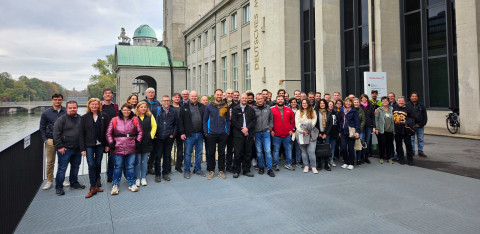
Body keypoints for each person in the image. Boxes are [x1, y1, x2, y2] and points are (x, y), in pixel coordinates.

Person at [106, 103, 143, 195]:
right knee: (118, 167)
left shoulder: (135, 119)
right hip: (117, 147)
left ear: (130, 111)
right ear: (121, 110)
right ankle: (115, 184)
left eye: (128, 110)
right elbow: (108, 133)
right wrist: (111, 142)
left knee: (130, 166)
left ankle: (132, 183)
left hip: (131, 146)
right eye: (124, 110)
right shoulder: (114, 120)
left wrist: (137, 141)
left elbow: (140, 131)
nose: (126, 112)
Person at [53, 101, 85, 196]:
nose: (72, 109)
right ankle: (59, 187)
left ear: (77, 108)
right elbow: (56, 134)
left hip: (77, 148)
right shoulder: (61, 119)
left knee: (75, 167)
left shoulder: (80, 118)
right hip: (65, 149)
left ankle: (74, 183)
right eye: (70, 108)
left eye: (74, 107)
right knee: (62, 168)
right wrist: (60, 147)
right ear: (66, 109)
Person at [80, 98, 108, 198]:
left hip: (100, 144)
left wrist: (107, 145)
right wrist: (82, 148)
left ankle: (96, 184)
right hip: (89, 145)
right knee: (91, 164)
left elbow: (107, 132)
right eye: (92, 104)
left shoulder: (103, 116)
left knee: (98, 163)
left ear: (99, 105)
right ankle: (92, 187)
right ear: (89, 105)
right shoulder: (84, 117)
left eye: (96, 104)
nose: (94, 106)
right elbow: (81, 134)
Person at [39, 93, 66, 190]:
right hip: (50, 140)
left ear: (62, 100)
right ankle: (49, 180)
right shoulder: (46, 113)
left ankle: (61, 179)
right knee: (50, 162)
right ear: (52, 100)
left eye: (59, 99)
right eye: (55, 99)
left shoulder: (66, 111)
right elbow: (41, 128)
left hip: (63, 140)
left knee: (63, 161)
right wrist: (45, 140)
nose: (57, 101)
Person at [179, 91, 206, 179]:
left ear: (197, 97)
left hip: (200, 134)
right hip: (189, 135)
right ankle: (187, 170)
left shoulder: (202, 106)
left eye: (195, 96)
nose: (194, 97)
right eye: (192, 96)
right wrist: (182, 132)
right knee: (187, 153)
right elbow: (181, 121)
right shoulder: (184, 107)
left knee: (199, 153)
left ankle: (197, 169)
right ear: (189, 97)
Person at [204, 89, 230, 179]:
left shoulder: (225, 106)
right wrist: (206, 132)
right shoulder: (209, 106)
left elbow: (227, 120)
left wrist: (227, 131)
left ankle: (221, 170)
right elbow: (205, 120)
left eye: (220, 95)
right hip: (211, 134)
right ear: (214, 95)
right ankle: (211, 171)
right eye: (217, 94)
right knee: (211, 152)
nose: (219, 96)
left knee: (222, 153)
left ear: (222, 95)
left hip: (223, 134)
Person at [231, 93, 256, 178]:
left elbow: (253, 120)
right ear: (240, 99)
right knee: (237, 153)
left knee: (248, 153)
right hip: (238, 134)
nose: (244, 99)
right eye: (243, 98)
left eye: (246, 98)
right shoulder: (235, 109)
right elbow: (234, 121)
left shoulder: (251, 109)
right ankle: (236, 170)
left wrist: (247, 128)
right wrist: (242, 129)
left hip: (248, 134)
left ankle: (246, 170)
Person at [154, 95, 178, 182]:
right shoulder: (157, 110)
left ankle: (165, 173)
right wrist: (154, 134)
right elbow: (152, 123)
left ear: (170, 101)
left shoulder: (173, 111)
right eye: (164, 100)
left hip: (169, 137)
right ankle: (157, 174)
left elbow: (176, 124)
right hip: (158, 137)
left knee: (167, 156)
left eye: (168, 100)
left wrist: (173, 134)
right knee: (158, 156)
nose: (166, 102)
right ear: (161, 101)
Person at [253, 93, 275, 177]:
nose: (260, 100)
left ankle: (270, 169)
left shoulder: (268, 108)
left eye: (261, 98)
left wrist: (270, 128)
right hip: (257, 132)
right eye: (258, 99)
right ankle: (261, 167)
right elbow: (251, 121)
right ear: (256, 99)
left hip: (266, 132)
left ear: (263, 99)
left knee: (268, 151)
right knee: (259, 151)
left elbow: (271, 119)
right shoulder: (253, 108)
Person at [135, 101, 157, 186]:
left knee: (144, 161)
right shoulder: (134, 117)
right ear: (138, 108)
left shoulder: (150, 116)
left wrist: (151, 136)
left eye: (145, 107)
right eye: (141, 107)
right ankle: (137, 178)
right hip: (137, 142)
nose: (143, 108)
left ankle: (143, 177)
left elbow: (154, 126)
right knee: (138, 161)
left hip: (147, 141)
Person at [271, 95, 295, 171]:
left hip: (287, 134)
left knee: (288, 149)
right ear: (276, 100)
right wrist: (271, 130)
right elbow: (269, 121)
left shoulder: (288, 109)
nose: (280, 100)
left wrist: (291, 129)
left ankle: (289, 164)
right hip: (276, 134)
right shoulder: (271, 109)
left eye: (282, 99)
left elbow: (292, 120)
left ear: (284, 100)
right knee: (276, 150)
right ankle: (275, 164)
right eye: (279, 99)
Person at [296, 99, 318, 173]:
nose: (304, 104)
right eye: (303, 103)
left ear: (308, 104)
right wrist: (302, 131)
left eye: (306, 103)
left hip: (311, 133)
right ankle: (306, 166)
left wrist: (307, 129)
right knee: (304, 151)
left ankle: (313, 166)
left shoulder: (313, 112)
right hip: (301, 133)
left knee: (311, 151)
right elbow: (297, 123)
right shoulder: (298, 112)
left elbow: (313, 122)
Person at [338, 97, 360, 170]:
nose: (348, 103)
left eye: (350, 102)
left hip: (351, 132)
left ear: (352, 103)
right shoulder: (341, 110)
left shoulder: (354, 111)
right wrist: (339, 131)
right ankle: (346, 162)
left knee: (350, 148)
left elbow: (357, 122)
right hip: (343, 131)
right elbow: (339, 121)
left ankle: (351, 163)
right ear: (345, 102)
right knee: (343, 148)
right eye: (347, 101)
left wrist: (357, 131)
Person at [102, 88, 119, 182]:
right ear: (103, 95)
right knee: (98, 158)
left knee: (112, 156)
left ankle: (110, 175)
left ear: (112, 95)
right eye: (106, 93)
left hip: (113, 134)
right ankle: (97, 178)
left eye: (109, 93)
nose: (108, 95)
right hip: (101, 134)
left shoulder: (115, 106)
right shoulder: (100, 106)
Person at [393, 96, 416, 165]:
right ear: (397, 102)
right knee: (398, 145)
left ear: (404, 102)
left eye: (402, 101)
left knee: (408, 145)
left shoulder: (409, 109)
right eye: (399, 101)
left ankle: (410, 160)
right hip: (397, 130)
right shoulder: (394, 108)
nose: (401, 102)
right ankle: (401, 159)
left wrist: (406, 121)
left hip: (406, 130)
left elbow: (413, 119)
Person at [143, 87, 161, 175]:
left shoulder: (157, 103)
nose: (151, 94)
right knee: (145, 150)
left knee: (153, 150)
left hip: (155, 129)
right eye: (149, 92)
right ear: (146, 94)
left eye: (152, 92)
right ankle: (144, 168)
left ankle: (150, 166)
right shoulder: (143, 103)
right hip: (145, 130)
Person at [374, 97, 395, 164]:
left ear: (388, 102)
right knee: (382, 144)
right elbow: (376, 120)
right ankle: (381, 157)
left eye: (386, 101)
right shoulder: (378, 110)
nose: (384, 102)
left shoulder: (391, 109)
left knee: (389, 144)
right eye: (383, 101)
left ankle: (389, 158)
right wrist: (377, 128)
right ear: (381, 102)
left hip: (390, 130)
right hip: (382, 130)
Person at [407, 92, 428, 157]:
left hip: (420, 125)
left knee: (420, 139)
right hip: (411, 126)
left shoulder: (421, 105)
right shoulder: (407, 105)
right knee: (411, 139)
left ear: (417, 97)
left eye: (415, 96)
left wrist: (423, 123)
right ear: (410, 97)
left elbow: (425, 115)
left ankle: (420, 151)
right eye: (412, 96)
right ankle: (412, 151)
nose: (414, 97)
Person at [316, 99, 331, 171]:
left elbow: (330, 124)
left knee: (326, 148)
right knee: (319, 148)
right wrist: (318, 132)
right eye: (321, 103)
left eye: (323, 103)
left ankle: (326, 164)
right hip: (318, 133)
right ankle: (319, 164)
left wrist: (326, 134)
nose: (322, 104)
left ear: (325, 104)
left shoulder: (328, 113)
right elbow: (315, 124)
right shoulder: (316, 113)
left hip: (326, 133)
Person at [360, 94, 375, 164]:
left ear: (367, 99)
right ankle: (362, 157)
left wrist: (374, 127)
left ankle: (366, 157)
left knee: (367, 142)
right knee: (362, 141)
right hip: (362, 126)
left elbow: (373, 117)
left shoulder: (370, 107)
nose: (364, 99)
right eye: (362, 98)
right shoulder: (359, 106)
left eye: (365, 98)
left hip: (369, 126)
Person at [171, 93, 184, 173]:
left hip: (180, 131)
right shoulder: (169, 108)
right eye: (175, 97)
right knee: (168, 150)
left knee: (180, 149)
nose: (177, 98)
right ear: (172, 98)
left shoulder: (182, 107)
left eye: (178, 97)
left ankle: (178, 166)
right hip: (171, 131)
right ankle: (167, 167)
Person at [224, 89, 236, 172]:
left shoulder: (236, 105)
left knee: (230, 149)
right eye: (229, 93)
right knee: (221, 149)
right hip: (222, 130)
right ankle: (221, 166)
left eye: (232, 93)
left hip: (232, 131)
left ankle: (229, 165)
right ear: (225, 94)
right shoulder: (221, 104)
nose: (230, 95)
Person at [289, 98, 302, 167]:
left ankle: (298, 161)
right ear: (290, 103)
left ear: (296, 103)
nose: (293, 103)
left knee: (298, 147)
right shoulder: (288, 110)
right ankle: (290, 161)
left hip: (298, 131)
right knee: (290, 147)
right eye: (292, 102)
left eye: (294, 102)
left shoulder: (299, 111)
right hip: (290, 132)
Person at [353, 98, 366, 165]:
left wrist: (359, 129)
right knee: (351, 144)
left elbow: (363, 120)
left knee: (359, 144)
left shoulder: (361, 110)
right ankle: (352, 159)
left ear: (359, 103)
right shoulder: (351, 109)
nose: (356, 103)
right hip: (352, 130)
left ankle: (358, 159)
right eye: (355, 102)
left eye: (357, 102)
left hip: (360, 130)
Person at [326, 101, 338, 167]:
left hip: (334, 132)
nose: (331, 106)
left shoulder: (335, 113)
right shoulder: (325, 113)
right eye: (329, 104)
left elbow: (337, 122)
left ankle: (331, 160)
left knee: (332, 147)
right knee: (327, 146)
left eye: (332, 105)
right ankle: (326, 161)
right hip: (327, 132)